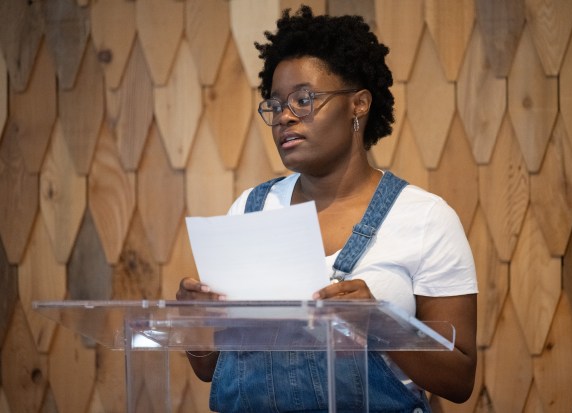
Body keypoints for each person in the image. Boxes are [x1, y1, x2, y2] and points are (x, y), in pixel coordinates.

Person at [177, 5, 477, 412]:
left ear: (359, 104)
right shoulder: (250, 210)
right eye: (276, 104)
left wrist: (379, 324)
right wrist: (197, 323)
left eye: (304, 99)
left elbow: (458, 379)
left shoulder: (425, 218)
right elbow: (210, 369)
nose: (284, 116)